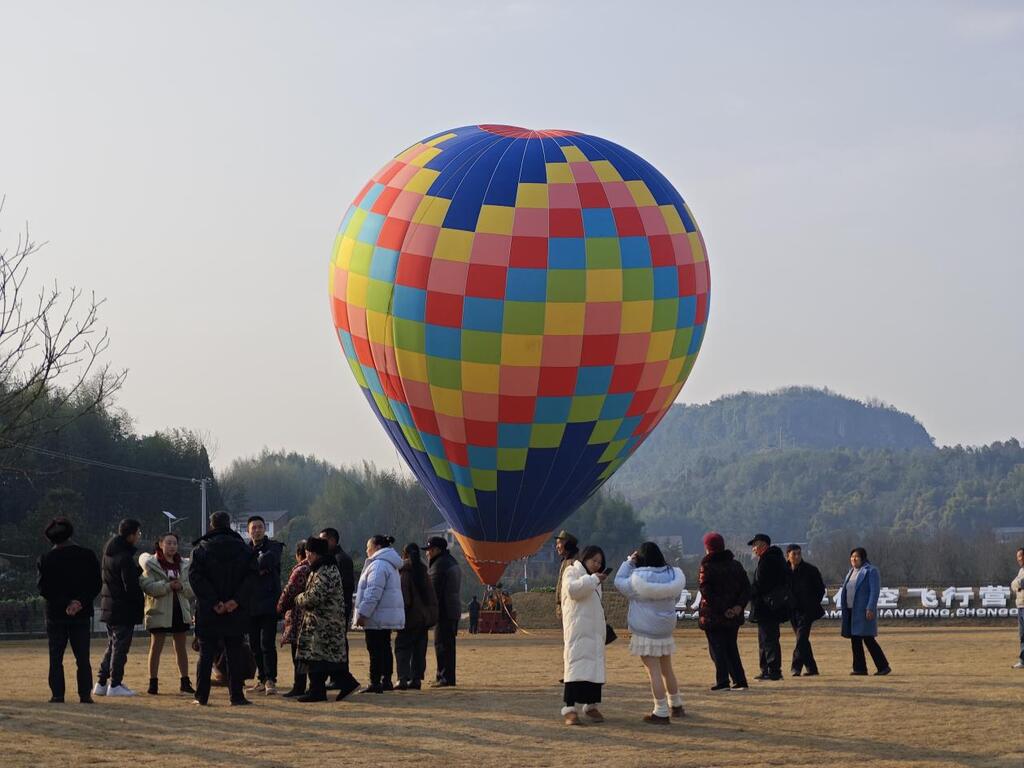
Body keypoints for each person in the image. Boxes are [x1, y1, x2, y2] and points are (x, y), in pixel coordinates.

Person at [189, 510, 258, 706]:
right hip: (235, 611)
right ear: (229, 525)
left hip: (209, 611)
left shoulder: (200, 549)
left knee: (206, 654)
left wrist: (213, 601)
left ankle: (201, 696)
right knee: (234, 652)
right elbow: (252, 577)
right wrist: (235, 601)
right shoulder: (245, 550)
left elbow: (195, 578)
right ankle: (236, 696)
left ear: (212, 525)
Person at [615, 541, 687, 725]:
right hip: (665, 630)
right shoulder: (673, 575)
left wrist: (629, 562)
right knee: (666, 668)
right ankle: (676, 705)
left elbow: (618, 581)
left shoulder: (636, 579)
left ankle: (661, 711)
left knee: (653, 671)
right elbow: (677, 596)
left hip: (645, 631)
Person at [37, 517, 102, 704]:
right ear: (71, 533)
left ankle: (58, 694)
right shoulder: (87, 555)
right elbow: (96, 583)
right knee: (82, 656)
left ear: (50, 539)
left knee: (55, 656)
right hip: (81, 613)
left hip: (56, 614)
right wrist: (78, 602)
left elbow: (44, 588)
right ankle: (84, 694)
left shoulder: (45, 558)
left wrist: (65, 603)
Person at [139, 532, 194, 695]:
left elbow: (192, 588)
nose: (172, 546)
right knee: (156, 647)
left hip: (180, 610)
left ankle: (185, 681)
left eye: (174, 543)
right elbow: (147, 586)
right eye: (168, 543)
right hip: (159, 611)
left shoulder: (184, 565)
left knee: (181, 647)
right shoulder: (150, 564)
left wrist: (182, 587)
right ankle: (153, 682)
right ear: (160, 544)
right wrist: (168, 586)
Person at [95, 518, 145, 697]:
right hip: (123, 609)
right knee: (120, 648)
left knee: (112, 645)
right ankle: (115, 684)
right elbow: (129, 585)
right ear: (131, 535)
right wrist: (139, 602)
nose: (139, 536)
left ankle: (101, 682)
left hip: (110, 606)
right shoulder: (124, 557)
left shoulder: (109, 553)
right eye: (138, 533)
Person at [560, 544, 608, 726]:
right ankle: (570, 708)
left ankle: (591, 704)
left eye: (599, 562)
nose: (596, 564)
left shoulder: (595, 579)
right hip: (578, 629)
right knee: (575, 668)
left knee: (594, 669)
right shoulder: (572, 571)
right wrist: (593, 580)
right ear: (584, 558)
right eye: (593, 560)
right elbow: (573, 591)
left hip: (594, 630)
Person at [294, 536, 346, 702]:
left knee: (317, 659)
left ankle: (317, 691)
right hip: (322, 622)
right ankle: (320, 689)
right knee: (321, 659)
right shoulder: (322, 568)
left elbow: (314, 597)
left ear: (318, 554)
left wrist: (298, 598)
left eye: (310, 553)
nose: (307, 556)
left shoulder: (325, 570)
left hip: (324, 624)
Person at [697, 532, 750, 691]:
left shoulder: (706, 567)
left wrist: (724, 609)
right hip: (733, 616)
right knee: (731, 647)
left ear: (708, 548)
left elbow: (706, 591)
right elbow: (746, 588)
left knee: (717, 649)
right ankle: (740, 680)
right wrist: (737, 607)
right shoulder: (736, 565)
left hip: (714, 615)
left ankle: (722, 681)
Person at [354, 534, 405, 693]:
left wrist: (362, 614)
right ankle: (386, 680)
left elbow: (373, 593)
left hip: (376, 616)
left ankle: (374, 681)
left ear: (376, 547)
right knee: (384, 648)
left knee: (375, 649)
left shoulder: (378, 565)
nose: (366, 551)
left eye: (368, 547)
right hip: (385, 615)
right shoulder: (390, 564)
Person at [318, 527, 360, 698]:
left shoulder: (342, 559)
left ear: (332, 540)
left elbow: (345, 587)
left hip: (338, 611)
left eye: (323, 540)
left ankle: (343, 679)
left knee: (337, 646)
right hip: (334, 610)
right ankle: (337, 678)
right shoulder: (331, 558)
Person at [838, 547, 891, 676]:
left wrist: (870, 607)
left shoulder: (871, 571)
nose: (853, 559)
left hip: (863, 611)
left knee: (868, 639)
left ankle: (883, 666)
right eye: (852, 557)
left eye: (856, 556)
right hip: (851, 611)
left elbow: (874, 591)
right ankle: (860, 668)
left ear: (863, 558)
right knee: (855, 640)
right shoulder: (850, 572)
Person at [246, 515, 283, 696]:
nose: (257, 530)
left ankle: (270, 679)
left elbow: (268, 561)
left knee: (267, 643)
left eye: (260, 527)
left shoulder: (274, 547)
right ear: (248, 530)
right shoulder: (244, 549)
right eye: (254, 527)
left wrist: (251, 566)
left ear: (265, 529)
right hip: (250, 604)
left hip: (269, 604)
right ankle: (261, 679)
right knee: (254, 644)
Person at [747, 533, 790, 682]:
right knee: (765, 639)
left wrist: (748, 592)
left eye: (755, 545)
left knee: (768, 639)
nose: (753, 548)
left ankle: (773, 670)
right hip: (770, 607)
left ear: (763, 545)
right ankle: (766, 669)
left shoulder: (769, 560)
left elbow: (762, 585)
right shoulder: (773, 558)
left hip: (768, 607)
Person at [396, 542, 438, 690]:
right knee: (419, 650)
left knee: (402, 647)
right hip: (424, 618)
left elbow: (405, 598)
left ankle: (402, 678)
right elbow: (432, 597)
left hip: (409, 617)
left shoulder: (404, 573)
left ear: (404, 554)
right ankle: (416, 679)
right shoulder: (424, 572)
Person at [425, 535, 461, 687]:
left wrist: (428, 612)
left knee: (441, 644)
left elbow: (434, 592)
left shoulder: (439, 566)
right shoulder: (451, 561)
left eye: (429, 550)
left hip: (444, 611)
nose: (427, 553)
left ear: (437, 550)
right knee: (448, 645)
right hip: (452, 609)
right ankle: (446, 676)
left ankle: (444, 677)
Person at [786, 543, 825, 677]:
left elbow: (820, 589)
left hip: (807, 610)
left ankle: (796, 667)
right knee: (802, 638)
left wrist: (812, 603)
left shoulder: (810, 570)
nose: (797, 557)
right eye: (794, 554)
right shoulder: (784, 571)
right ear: (788, 555)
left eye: (799, 554)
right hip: (792, 610)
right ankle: (812, 668)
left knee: (801, 637)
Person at [278, 541, 311, 697]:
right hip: (311, 619)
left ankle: (299, 685)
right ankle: (308, 684)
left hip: (298, 617)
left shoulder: (300, 570)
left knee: (297, 655)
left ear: (298, 555)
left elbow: (289, 592)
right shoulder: (317, 568)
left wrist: (279, 608)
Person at [554, 530, 579, 620]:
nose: (557, 547)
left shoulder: (576, 562)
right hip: (564, 606)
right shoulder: (565, 561)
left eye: (559, 543)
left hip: (572, 607)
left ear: (568, 545)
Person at [1011, 547, 1024, 669]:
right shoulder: (1021, 571)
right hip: (1020, 606)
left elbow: (1020, 583)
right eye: (1017, 557)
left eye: (1020, 556)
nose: (1018, 559)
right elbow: (1013, 585)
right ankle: (1023, 661)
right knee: (1022, 635)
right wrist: (1018, 585)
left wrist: (1018, 585)